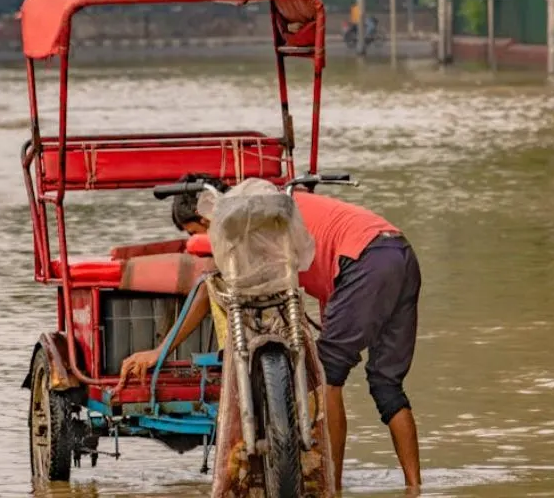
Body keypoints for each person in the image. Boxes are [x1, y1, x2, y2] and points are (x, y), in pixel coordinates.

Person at [119, 173, 424, 491]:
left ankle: (331, 487)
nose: (214, 246)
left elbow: (208, 286)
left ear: (206, 216)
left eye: (203, 234)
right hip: (399, 252)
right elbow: (325, 278)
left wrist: (161, 350)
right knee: (387, 385)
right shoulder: (272, 205)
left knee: (326, 373)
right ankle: (415, 487)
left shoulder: (251, 219)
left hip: (362, 261)